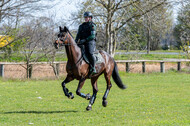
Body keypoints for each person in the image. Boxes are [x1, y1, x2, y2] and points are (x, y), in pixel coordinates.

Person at [75, 11, 97, 77]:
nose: (85, 18)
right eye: (85, 17)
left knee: (90, 53)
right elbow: (78, 35)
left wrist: (85, 40)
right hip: (82, 42)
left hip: (90, 42)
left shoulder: (92, 25)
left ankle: (93, 68)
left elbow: (92, 36)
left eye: (86, 17)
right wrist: (76, 41)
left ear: (90, 18)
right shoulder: (81, 26)